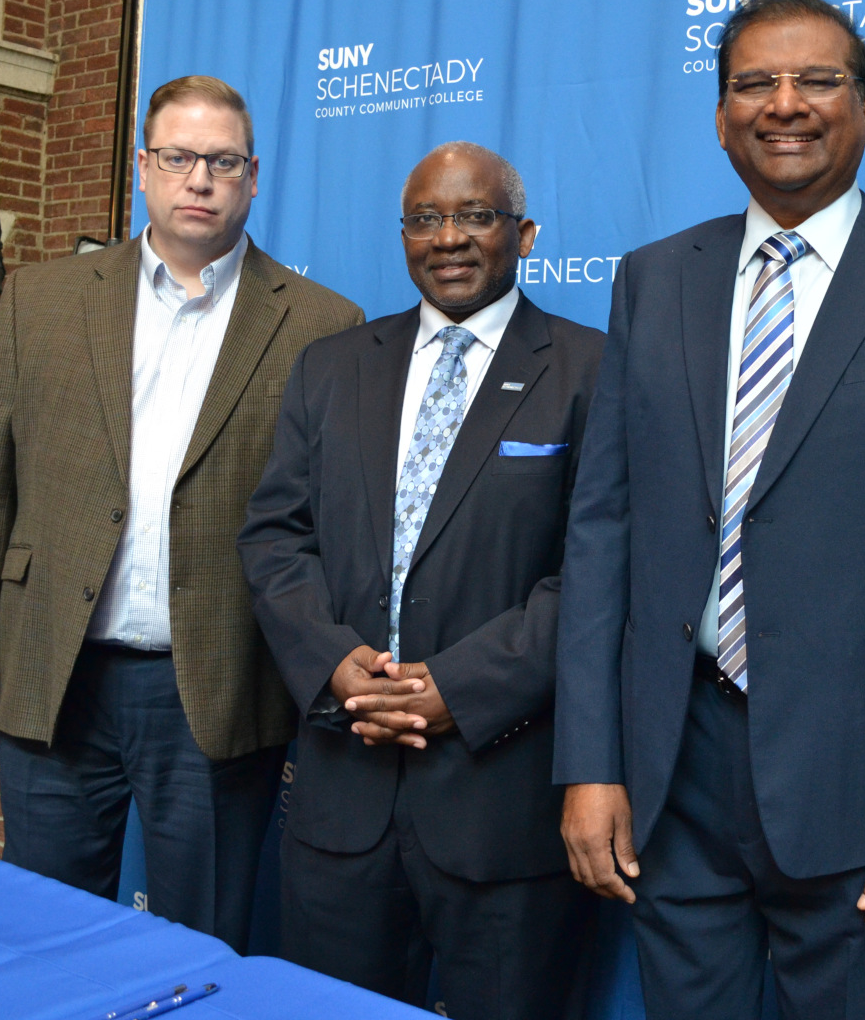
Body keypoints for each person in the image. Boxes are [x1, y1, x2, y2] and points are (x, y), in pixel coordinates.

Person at [554, 0, 865, 1018]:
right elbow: (603, 534)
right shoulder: (652, 281)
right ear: (720, 115)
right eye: (754, 83)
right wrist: (591, 763)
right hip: (671, 776)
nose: (786, 102)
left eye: (818, 80)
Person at [0, 75, 363, 952]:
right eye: (179, 157)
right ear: (143, 168)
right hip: (55, 669)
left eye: (223, 161)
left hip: (216, 683)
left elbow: (324, 527)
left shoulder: (322, 325)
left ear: (253, 175)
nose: (199, 178)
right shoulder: (41, 299)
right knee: (41, 931)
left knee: (200, 940)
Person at [239, 142, 604, 1018]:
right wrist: (334, 664)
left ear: (523, 232)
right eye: (424, 219)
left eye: (474, 216)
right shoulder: (331, 366)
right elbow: (275, 537)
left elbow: (597, 571)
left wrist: (460, 689)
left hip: (500, 810)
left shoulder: (592, 369)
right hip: (340, 801)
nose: (448, 238)